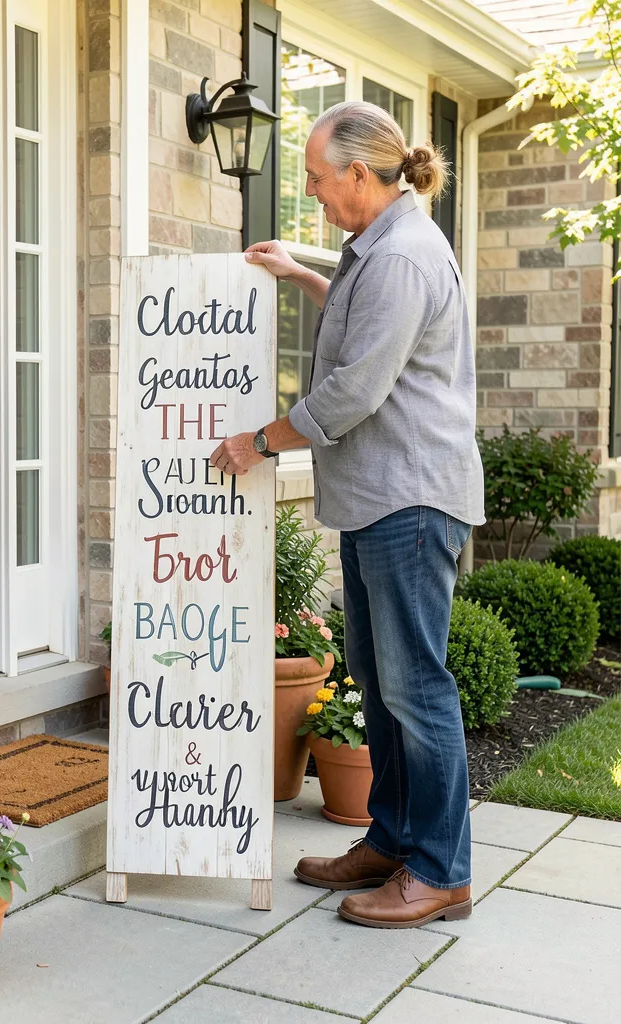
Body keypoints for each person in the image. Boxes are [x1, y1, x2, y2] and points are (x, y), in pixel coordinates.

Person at [210, 101, 484, 929]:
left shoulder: (399, 255)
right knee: (382, 679)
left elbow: (357, 387)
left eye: (318, 180)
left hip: (409, 499)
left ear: (360, 175)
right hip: (381, 500)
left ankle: (440, 872)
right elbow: (371, 327)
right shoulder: (383, 247)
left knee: (416, 687)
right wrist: (299, 273)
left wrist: (261, 441)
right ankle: (394, 841)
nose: (313, 193)